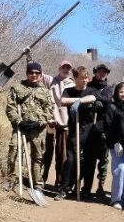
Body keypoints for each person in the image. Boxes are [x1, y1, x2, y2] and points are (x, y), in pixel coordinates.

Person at [4, 62, 53, 193]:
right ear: (27, 74)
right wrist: (19, 122)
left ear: (41, 75)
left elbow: (50, 110)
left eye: (37, 73)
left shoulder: (46, 91)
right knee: (14, 151)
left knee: (38, 157)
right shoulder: (17, 88)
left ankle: (37, 184)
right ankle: (10, 179)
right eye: (31, 73)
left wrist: (39, 122)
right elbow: (10, 108)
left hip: (38, 130)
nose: (34, 75)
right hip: (21, 128)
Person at [55, 66, 98, 201]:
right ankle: (64, 188)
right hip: (75, 129)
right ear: (75, 78)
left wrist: (80, 101)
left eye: (86, 77)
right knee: (71, 160)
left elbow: (92, 97)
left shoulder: (91, 90)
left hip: (89, 130)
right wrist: (76, 100)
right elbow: (63, 100)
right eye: (82, 78)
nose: (85, 80)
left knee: (89, 161)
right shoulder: (69, 90)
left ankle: (85, 190)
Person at [103, 82, 124, 210]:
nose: (123, 94)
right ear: (117, 93)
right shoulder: (112, 107)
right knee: (119, 170)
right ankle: (116, 199)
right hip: (116, 145)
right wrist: (115, 142)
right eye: (121, 92)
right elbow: (108, 126)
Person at [43, 60, 73, 187]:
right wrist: (28, 57)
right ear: (59, 68)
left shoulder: (72, 84)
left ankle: (59, 180)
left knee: (62, 153)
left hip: (64, 122)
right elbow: (37, 71)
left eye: (67, 68)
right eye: (63, 67)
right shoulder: (51, 80)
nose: (65, 70)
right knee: (47, 149)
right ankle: (42, 178)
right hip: (51, 120)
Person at [88, 63, 114, 201]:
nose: (102, 74)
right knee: (88, 158)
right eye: (100, 71)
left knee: (103, 160)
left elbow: (108, 99)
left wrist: (97, 98)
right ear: (95, 72)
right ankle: (86, 186)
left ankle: (100, 186)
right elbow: (84, 97)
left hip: (103, 128)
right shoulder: (89, 86)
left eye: (104, 72)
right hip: (88, 127)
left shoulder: (108, 88)